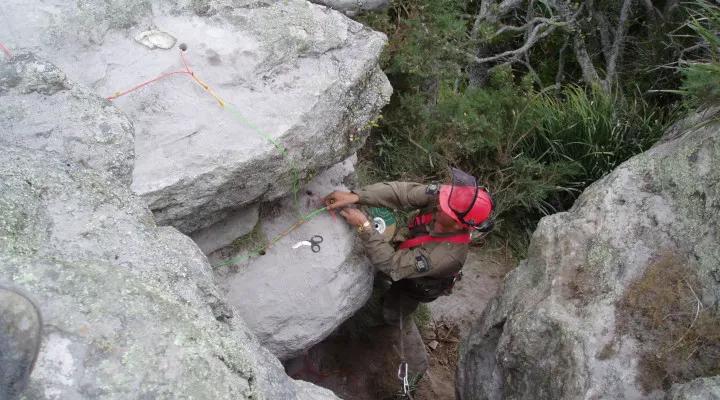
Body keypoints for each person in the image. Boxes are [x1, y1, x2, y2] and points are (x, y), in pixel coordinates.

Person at [324, 168, 494, 327]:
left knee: (397, 307)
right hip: (410, 245)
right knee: (388, 264)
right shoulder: (449, 197)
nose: (440, 205)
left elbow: (392, 264)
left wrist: (364, 226)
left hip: (420, 282)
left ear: (458, 225)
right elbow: (402, 193)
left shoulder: (445, 257)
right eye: (443, 201)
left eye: (445, 210)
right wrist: (355, 196)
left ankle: (386, 320)